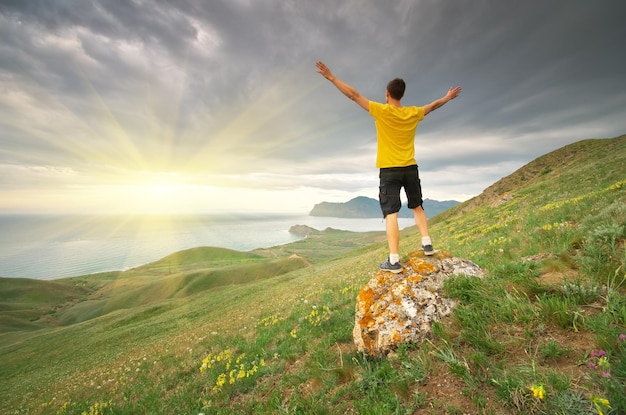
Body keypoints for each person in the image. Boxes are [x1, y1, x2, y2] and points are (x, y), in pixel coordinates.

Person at [315, 61, 461, 273]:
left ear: (387, 94)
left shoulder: (381, 111)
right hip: (410, 167)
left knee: (391, 213)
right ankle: (427, 243)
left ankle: (394, 261)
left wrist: (332, 77)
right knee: (417, 206)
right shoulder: (413, 113)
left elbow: (354, 95)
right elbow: (433, 106)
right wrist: (447, 97)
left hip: (389, 170)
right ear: (402, 95)